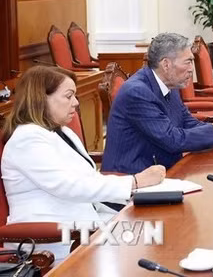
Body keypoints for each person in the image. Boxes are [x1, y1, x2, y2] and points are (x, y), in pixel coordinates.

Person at [1, 66, 165, 261]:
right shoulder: (26, 140)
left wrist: (137, 194)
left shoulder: (62, 132)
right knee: (151, 244)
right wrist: (135, 182)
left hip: (84, 224)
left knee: (160, 231)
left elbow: (89, 178)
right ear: (41, 99)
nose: (76, 103)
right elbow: (68, 186)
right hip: (53, 237)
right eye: (68, 96)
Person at [102, 33, 213, 174]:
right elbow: (173, 140)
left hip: (161, 171)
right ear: (166, 64)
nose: (191, 69)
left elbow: (187, 123)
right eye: (188, 62)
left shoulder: (169, 84)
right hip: (131, 180)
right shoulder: (137, 93)